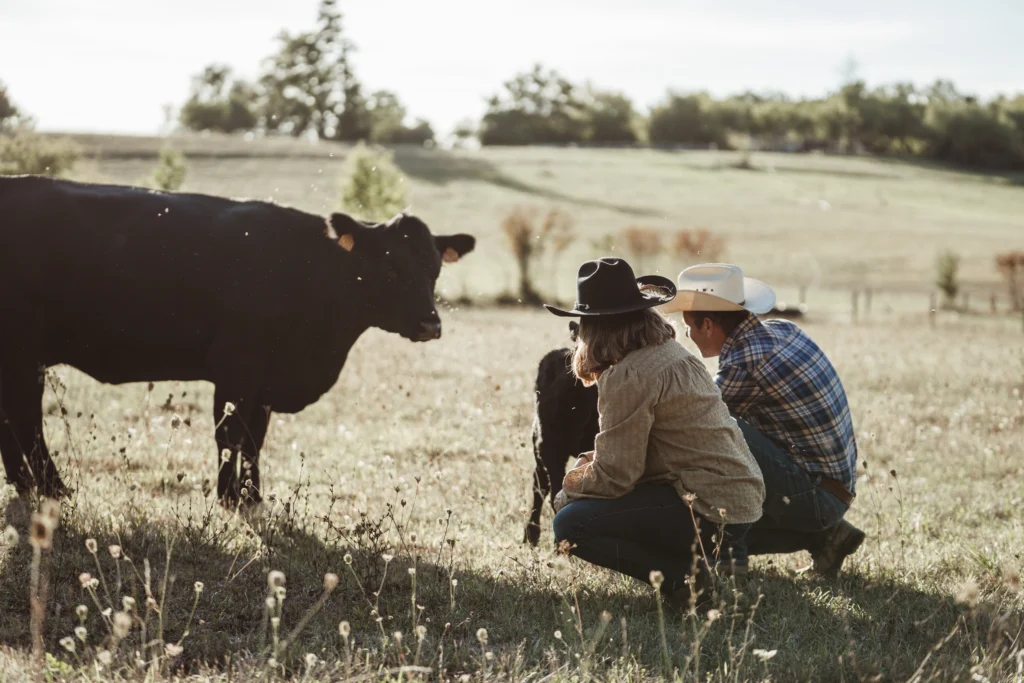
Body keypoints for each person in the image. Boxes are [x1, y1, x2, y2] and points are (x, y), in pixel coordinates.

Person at [545, 257, 765, 606]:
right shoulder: (672, 352)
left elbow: (617, 475)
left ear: (594, 327)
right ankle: (714, 562)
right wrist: (588, 470)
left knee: (572, 526)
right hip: (738, 506)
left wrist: (569, 488)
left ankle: (687, 580)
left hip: (708, 508)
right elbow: (629, 455)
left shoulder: (629, 374)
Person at [660, 263, 865, 577]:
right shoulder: (782, 329)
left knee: (714, 431)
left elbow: (697, 422)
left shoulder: (743, 363)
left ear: (708, 324)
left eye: (689, 326)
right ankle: (829, 536)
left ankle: (730, 559)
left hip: (816, 497)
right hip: (834, 488)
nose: (687, 334)